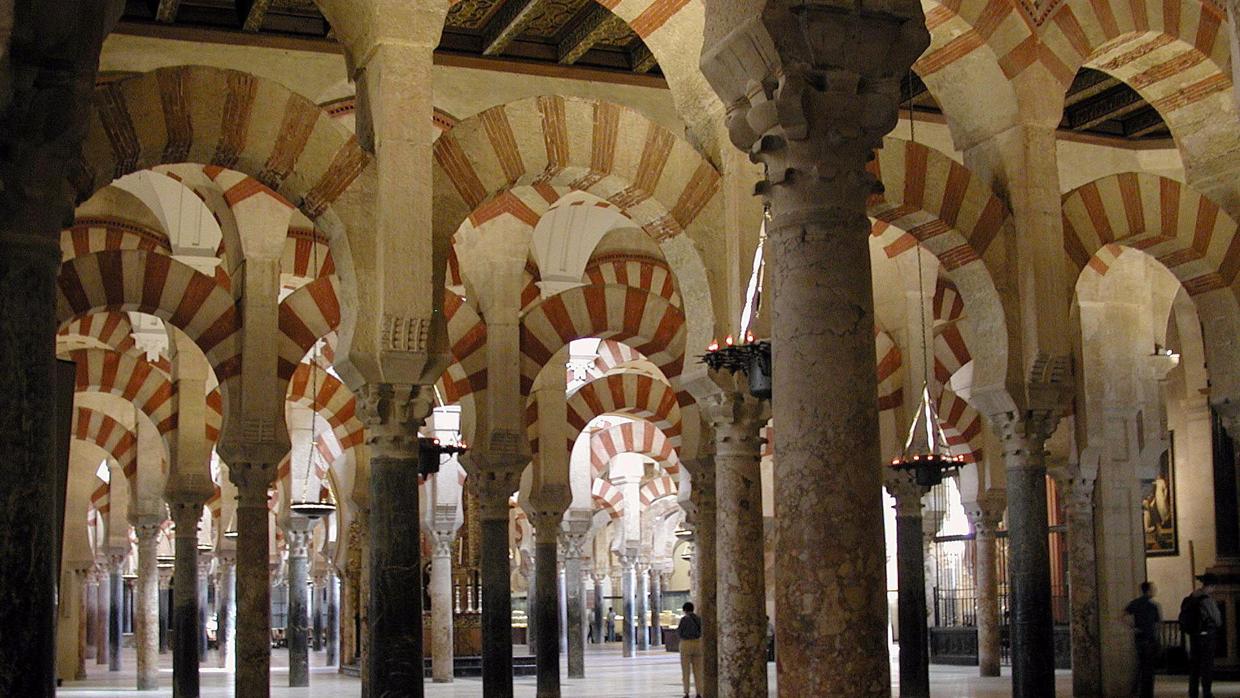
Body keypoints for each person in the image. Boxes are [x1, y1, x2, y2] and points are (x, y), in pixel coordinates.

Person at [1181, 573, 1223, 698]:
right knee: (1207, 665)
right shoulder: (1207, 599)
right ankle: (1207, 692)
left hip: (1193, 635)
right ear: (1211, 586)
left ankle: (1192, 693)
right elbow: (1217, 620)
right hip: (1206, 636)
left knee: (1194, 666)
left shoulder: (1190, 597)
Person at [1123, 581, 1161, 698]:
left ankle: (1138, 691)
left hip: (1139, 638)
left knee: (1141, 665)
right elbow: (1157, 624)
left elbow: (1123, 615)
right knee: (1148, 668)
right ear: (1148, 590)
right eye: (1153, 589)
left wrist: (1133, 628)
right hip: (1149, 639)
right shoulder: (1153, 606)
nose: (1155, 590)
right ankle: (1146, 693)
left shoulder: (1136, 603)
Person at [677, 602, 704, 698]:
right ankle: (699, 692)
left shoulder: (684, 619)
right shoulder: (698, 619)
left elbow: (680, 632)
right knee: (698, 670)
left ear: (684, 610)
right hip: (698, 643)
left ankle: (687, 692)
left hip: (686, 644)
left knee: (686, 669)